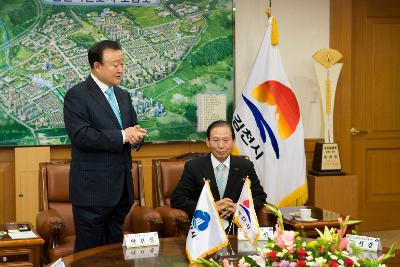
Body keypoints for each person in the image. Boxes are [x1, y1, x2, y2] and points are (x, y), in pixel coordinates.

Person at [63, 40, 147, 252]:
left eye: (122, 64)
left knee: (113, 252)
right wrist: (122, 135)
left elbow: (130, 130)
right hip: (93, 191)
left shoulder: (123, 95)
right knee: (89, 254)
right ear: (96, 66)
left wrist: (137, 136)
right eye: (114, 64)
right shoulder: (77, 95)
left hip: (122, 190)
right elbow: (81, 135)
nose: (120, 69)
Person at [171, 120, 267, 232]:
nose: (221, 145)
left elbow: (260, 197)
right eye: (216, 140)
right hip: (204, 229)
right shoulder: (194, 166)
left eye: (226, 140)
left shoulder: (245, 166)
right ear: (207, 142)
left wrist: (239, 207)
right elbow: (178, 199)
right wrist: (210, 207)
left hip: (237, 228)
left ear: (233, 141)